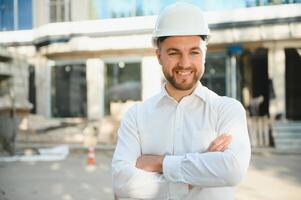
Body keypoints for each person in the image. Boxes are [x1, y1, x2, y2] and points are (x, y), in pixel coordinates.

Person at [112, 3, 251, 200]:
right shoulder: (136, 116)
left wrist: (160, 164)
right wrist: (199, 172)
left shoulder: (227, 111)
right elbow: (121, 183)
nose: (184, 63)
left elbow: (233, 170)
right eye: (174, 52)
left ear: (204, 55)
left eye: (194, 52)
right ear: (159, 55)